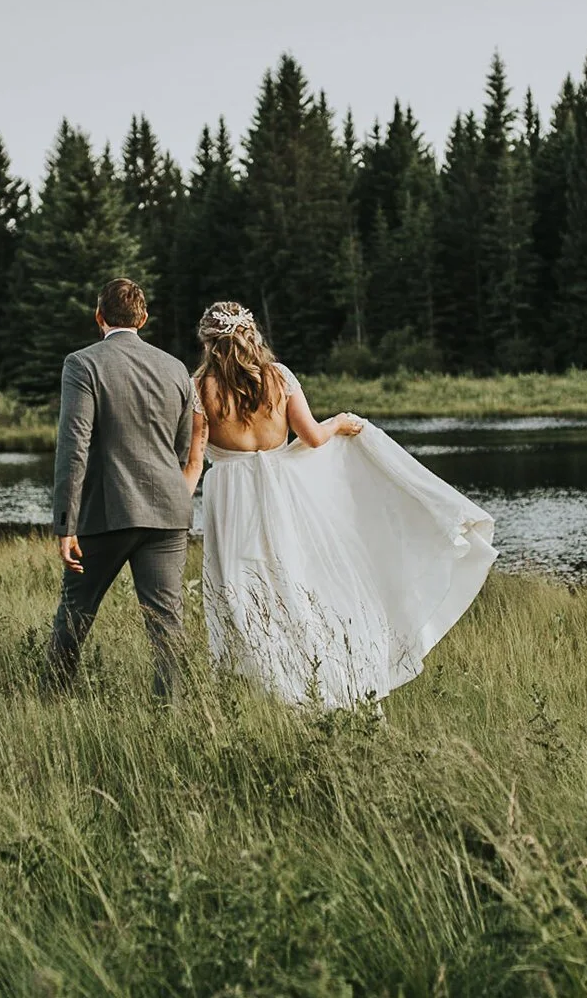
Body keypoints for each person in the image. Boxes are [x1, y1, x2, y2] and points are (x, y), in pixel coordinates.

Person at [190, 300, 495, 708]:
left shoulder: (199, 389)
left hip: (231, 503)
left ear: (209, 342)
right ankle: (320, 682)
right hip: (283, 497)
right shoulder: (278, 377)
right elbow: (314, 437)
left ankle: (267, 692)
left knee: (241, 594)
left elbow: (193, 461)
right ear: (250, 333)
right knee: (295, 584)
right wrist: (340, 422)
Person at [45, 277, 200, 697]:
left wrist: (65, 522)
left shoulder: (82, 364)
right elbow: (181, 448)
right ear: (143, 318)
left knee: (75, 614)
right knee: (167, 625)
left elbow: (73, 446)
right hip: (168, 514)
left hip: (106, 514)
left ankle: (51, 700)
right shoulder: (176, 369)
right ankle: (171, 713)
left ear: (99, 317)